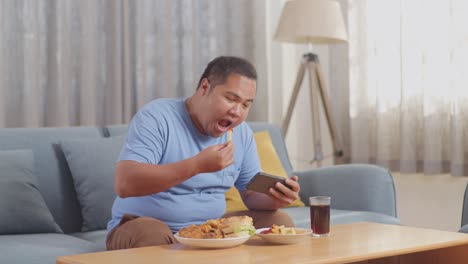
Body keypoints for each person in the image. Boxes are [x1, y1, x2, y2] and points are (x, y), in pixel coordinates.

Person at [106, 56, 301, 250]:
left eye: (245, 104)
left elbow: (250, 193)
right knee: (150, 233)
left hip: (210, 229)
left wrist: (275, 198)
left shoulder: (242, 134)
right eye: (230, 99)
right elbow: (125, 183)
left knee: (279, 221)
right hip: (142, 225)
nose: (237, 111)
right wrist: (197, 166)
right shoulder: (157, 117)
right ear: (205, 87)